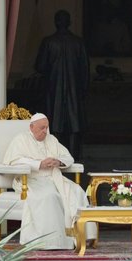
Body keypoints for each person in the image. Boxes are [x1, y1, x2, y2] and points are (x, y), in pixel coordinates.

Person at [3, 113, 95, 250]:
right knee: (50, 196)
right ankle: (51, 242)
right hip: (31, 180)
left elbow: (68, 157)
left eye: (46, 127)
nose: (45, 131)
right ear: (31, 127)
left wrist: (58, 161)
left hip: (54, 178)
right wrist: (39, 163)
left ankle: (82, 237)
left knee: (78, 191)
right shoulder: (21, 140)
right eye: (42, 128)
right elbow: (14, 161)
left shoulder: (51, 140)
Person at [35, 10, 89, 160]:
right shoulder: (78, 42)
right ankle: (73, 160)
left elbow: (39, 66)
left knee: (54, 126)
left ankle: (55, 157)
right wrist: (83, 91)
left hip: (53, 91)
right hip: (74, 92)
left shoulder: (48, 42)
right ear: (69, 22)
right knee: (74, 127)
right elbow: (85, 71)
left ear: (56, 22)